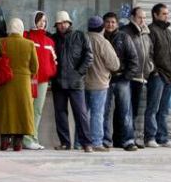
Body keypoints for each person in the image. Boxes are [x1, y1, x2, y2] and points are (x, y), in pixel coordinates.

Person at [0, 18, 37, 151]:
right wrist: (27, 75)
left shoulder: (2, 42)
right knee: (21, 111)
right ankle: (18, 143)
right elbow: (35, 66)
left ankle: (4, 141)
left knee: (5, 111)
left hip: (5, 82)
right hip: (23, 83)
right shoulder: (30, 44)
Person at [51, 11, 93, 151]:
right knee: (60, 114)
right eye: (59, 23)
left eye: (64, 22)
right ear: (56, 25)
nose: (62, 25)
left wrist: (79, 73)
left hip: (76, 82)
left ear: (69, 23)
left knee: (81, 113)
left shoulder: (80, 36)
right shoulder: (53, 38)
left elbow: (89, 56)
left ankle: (86, 143)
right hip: (58, 82)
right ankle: (65, 143)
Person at [102, 12, 139, 151]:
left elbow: (134, 59)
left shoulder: (124, 37)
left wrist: (127, 77)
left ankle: (128, 140)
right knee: (103, 112)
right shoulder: (101, 38)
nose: (110, 24)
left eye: (113, 22)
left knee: (125, 111)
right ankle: (105, 140)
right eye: (107, 22)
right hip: (104, 80)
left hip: (122, 79)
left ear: (117, 24)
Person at [22, 11, 57, 150]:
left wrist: (50, 72)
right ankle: (25, 138)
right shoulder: (27, 36)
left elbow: (54, 61)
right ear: (33, 21)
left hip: (43, 81)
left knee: (37, 110)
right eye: (40, 20)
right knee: (27, 109)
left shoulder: (49, 41)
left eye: (44, 21)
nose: (43, 23)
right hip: (29, 79)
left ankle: (33, 137)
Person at [120, 7, 154, 148]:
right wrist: (126, 71)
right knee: (126, 110)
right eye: (140, 17)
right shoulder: (126, 32)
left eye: (144, 18)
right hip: (129, 76)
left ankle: (132, 137)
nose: (142, 20)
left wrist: (150, 66)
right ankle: (124, 139)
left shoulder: (146, 33)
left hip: (142, 77)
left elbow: (150, 52)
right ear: (133, 17)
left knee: (135, 110)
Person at [145, 3, 171, 148]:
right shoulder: (151, 30)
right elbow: (149, 54)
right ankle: (150, 137)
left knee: (164, 109)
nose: (166, 16)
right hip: (158, 75)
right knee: (153, 107)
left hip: (170, 76)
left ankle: (163, 137)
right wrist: (155, 72)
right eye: (163, 13)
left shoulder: (168, 32)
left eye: (167, 13)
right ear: (155, 15)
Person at [85, 16, 119, 153]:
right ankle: (96, 142)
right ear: (101, 28)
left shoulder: (82, 39)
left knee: (83, 114)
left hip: (82, 84)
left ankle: (79, 141)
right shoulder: (103, 42)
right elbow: (115, 64)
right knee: (97, 114)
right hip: (99, 84)